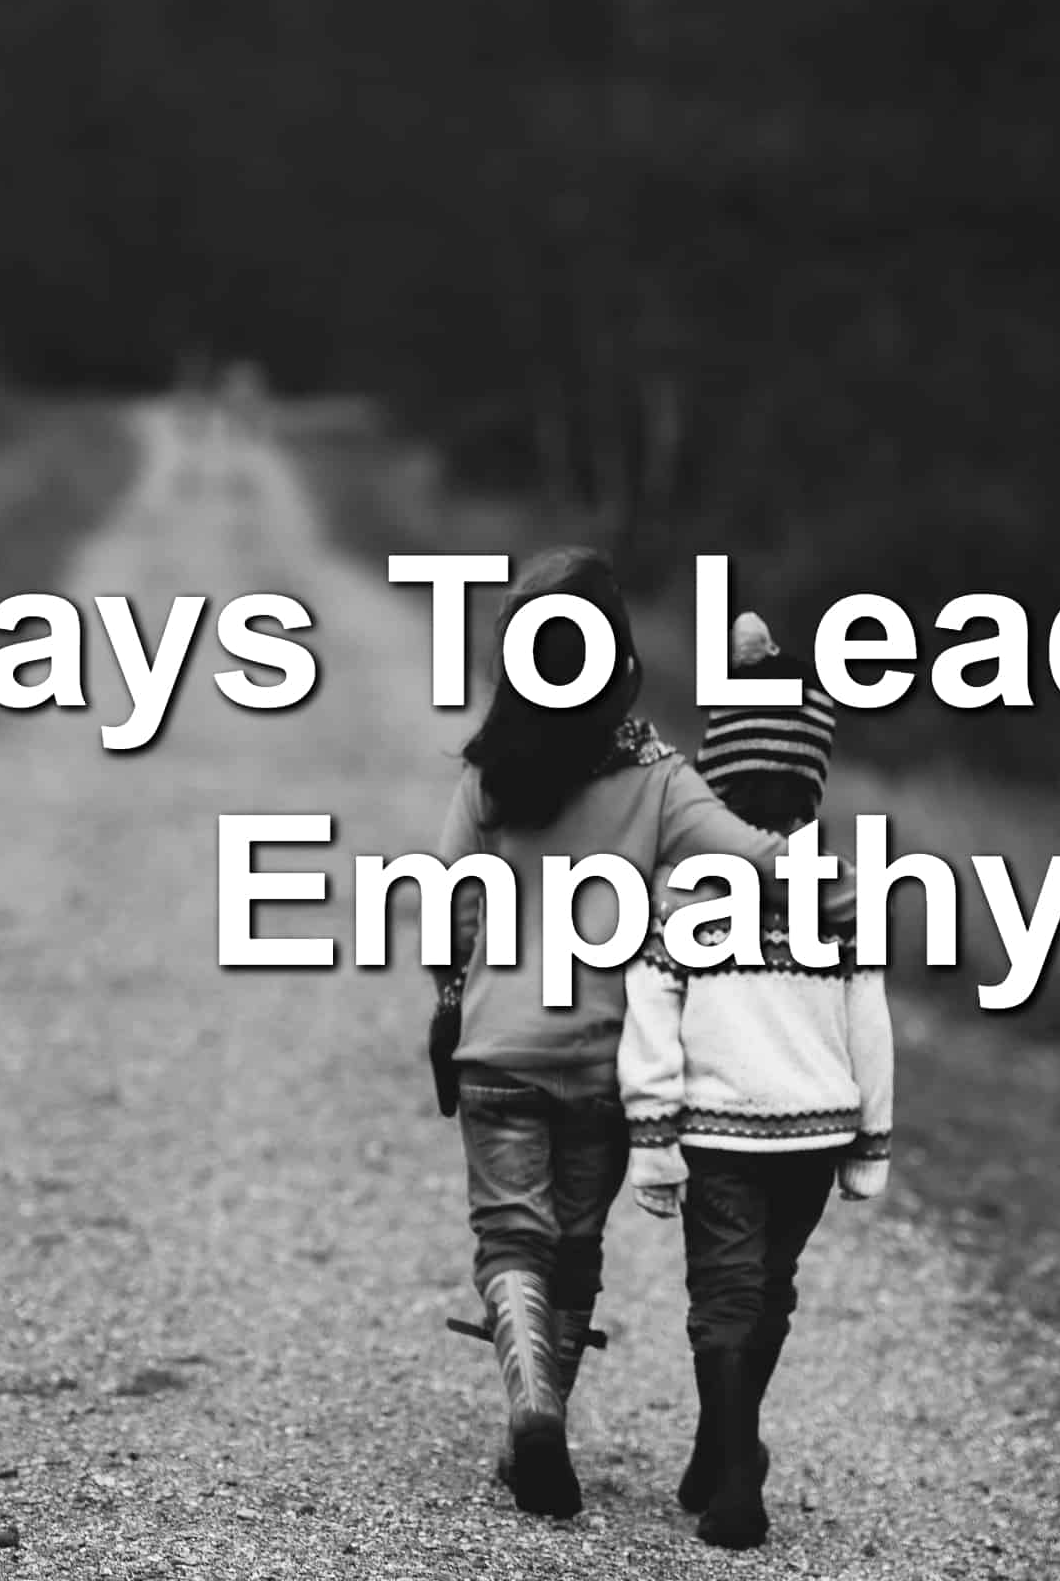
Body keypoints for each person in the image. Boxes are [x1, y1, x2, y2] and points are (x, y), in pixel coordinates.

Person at [431, 555, 859, 1521]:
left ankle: (533, 1408)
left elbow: (450, 902)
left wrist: (453, 994)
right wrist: (843, 901)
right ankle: (540, 1424)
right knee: (574, 1247)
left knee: (510, 1238)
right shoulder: (660, 779)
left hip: (499, 1053)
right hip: (603, 1065)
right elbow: (763, 864)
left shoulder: (490, 774)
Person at [616, 611, 894, 1550]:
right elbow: (870, 1025)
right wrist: (872, 1142)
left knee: (725, 1296)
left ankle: (734, 1472)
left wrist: (651, 1140)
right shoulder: (844, 891)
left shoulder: (688, 893)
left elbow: (651, 1016)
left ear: (715, 778)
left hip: (720, 1132)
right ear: (814, 783)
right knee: (769, 1290)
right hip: (814, 1134)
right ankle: (723, 1450)